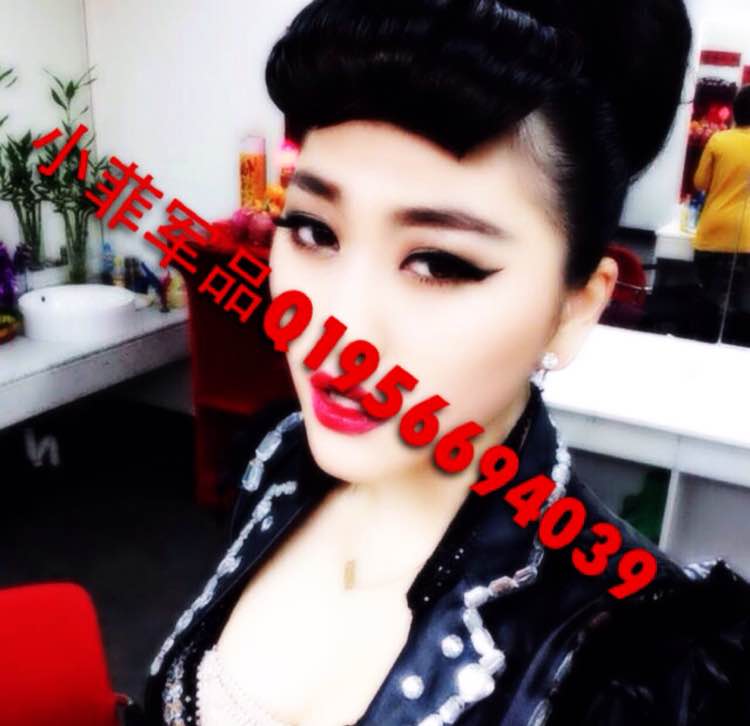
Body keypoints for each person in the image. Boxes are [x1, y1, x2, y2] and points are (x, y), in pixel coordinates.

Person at [143, 2, 750, 724]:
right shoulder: (279, 462)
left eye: (438, 262)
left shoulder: (635, 669)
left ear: (575, 307)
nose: (335, 330)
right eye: (313, 230)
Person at [692, 84, 750, 343]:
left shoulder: (719, 140)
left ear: (735, 111)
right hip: (747, 239)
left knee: (710, 305)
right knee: (743, 313)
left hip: (713, 233)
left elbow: (700, 182)